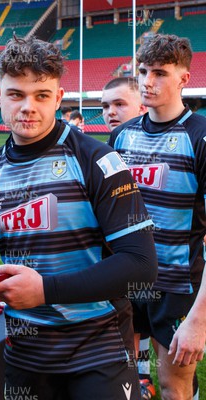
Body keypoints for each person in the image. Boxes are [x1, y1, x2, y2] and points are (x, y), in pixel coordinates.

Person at [0, 36, 158, 399]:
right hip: (24, 352)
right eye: (16, 94)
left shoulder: (98, 162)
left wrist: (45, 291)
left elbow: (141, 265)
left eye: (41, 95)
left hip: (99, 348)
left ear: (58, 97)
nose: (28, 107)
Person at [108, 33, 206, 400]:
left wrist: (200, 318)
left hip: (177, 285)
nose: (148, 82)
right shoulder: (119, 137)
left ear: (184, 79)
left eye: (160, 73)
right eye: (144, 71)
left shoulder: (200, 137)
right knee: (124, 383)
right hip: (125, 278)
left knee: (173, 385)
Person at [101, 77, 155, 399]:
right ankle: (140, 377)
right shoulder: (109, 147)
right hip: (122, 252)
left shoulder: (157, 143)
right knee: (132, 319)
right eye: (105, 106)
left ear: (142, 106)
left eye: (119, 104)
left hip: (163, 255)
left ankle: (146, 374)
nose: (110, 112)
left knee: (151, 322)